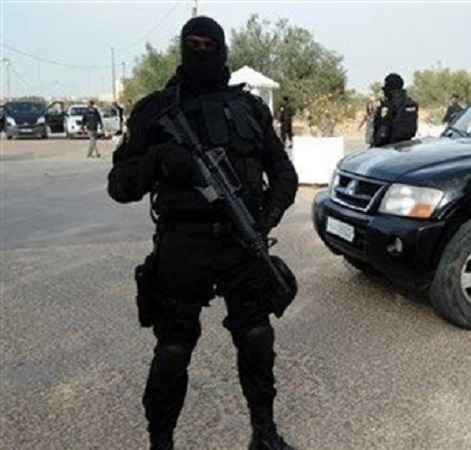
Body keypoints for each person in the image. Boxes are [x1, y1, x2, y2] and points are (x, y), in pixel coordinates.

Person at [107, 16, 299, 449]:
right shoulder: (155, 110)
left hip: (242, 242)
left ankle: (264, 434)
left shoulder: (249, 108)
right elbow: (119, 186)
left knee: (256, 339)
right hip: (182, 245)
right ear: (181, 49)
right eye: (192, 44)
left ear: (223, 49)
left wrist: (264, 221)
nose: (200, 52)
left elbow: (283, 173)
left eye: (208, 45)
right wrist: (158, 160)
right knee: (173, 350)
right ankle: (161, 442)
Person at [371, 73, 418, 147]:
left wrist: (375, 145)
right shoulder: (411, 103)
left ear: (389, 88)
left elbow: (383, 130)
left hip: (389, 146)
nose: (384, 89)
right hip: (408, 145)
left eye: (386, 86)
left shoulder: (388, 106)